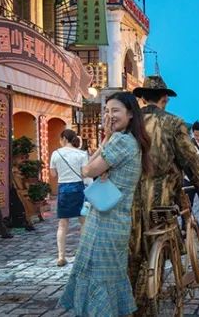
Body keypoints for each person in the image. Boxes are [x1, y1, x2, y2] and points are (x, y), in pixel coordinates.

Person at [129, 76, 199, 316]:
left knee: (132, 252)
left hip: (130, 197)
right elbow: (189, 157)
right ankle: (164, 288)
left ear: (142, 98)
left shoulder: (130, 121)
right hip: (162, 197)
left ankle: (130, 303)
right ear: (164, 98)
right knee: (164, 240)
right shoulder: (174, 122)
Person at [60, 91, 150, 316]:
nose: (110, 115)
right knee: (111, 278)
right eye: (107, 111)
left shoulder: (121, 141)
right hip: (117, 221)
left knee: (98, 277)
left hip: (104, 223)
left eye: (115, 110)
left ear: (130, 113)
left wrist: (107, 138)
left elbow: (87, 170)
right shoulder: (132, 141)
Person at [50, 130, 92, 267]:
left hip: (63, 189)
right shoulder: (81, 154)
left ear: (63, 138)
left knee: (63, 224)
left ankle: (61, 256)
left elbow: (53, 174)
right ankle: (85, 253)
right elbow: (85, 173)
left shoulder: (56, 154)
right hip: (78, 188)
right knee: (83, 221)